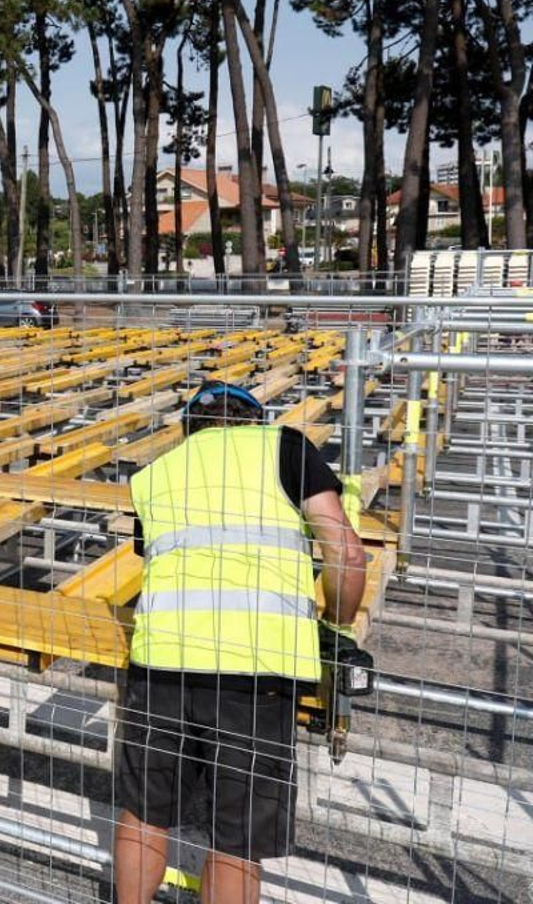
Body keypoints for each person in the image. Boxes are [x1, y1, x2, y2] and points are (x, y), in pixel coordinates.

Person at [114, 380, 368, 904]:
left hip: (161, 664)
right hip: (257, 670)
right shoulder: (285, 448)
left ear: (190, 429)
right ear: (254, 421)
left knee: (145, 812)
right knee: (237, 834)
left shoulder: (156, 473)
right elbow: (345, 552)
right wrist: (337, 624)